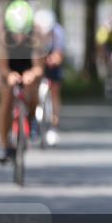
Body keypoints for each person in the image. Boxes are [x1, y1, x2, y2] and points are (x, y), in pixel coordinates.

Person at [0, 0, 44, 163]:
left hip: (28, 66)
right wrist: (9, 75)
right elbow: (2, 67)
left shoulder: (36, 34)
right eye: (16, 32)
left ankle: (31, 118)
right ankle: (3, 144)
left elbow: (39, 67)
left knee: (32, 88)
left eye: (23, 32)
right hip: (9, 67)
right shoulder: (2, 34)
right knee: (7, 96)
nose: (20, 36)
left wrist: (32, 74)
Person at [34, 9, 65, 146]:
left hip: (51, 60)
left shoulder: (58, 32)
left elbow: (59, 54)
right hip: (37, 57)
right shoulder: (32, 33)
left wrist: (54, 59)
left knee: (55, 90)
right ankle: (32, 118)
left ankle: (54, 125)